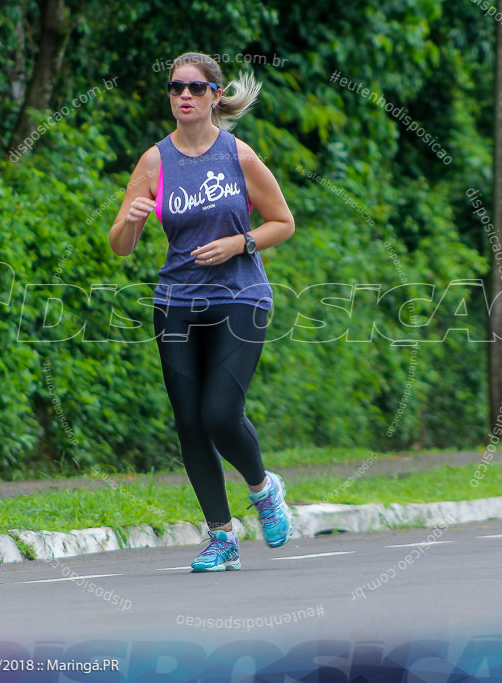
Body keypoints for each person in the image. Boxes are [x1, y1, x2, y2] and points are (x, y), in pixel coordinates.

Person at [108, 52, 295, 572]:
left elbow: (283, 222)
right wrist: (132, 219)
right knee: (190, 423)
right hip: (177, 301)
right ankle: (221, 537)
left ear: (215, 95)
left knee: (219, 413)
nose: (183, 96)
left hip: (241, 296)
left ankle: (263, 489)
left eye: (194, 88)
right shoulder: (153, 162)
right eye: (174, 88)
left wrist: (240, 243)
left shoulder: (239, 155)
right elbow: (120, 245)